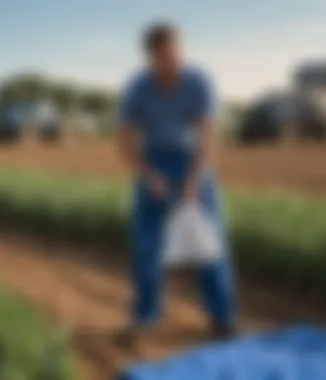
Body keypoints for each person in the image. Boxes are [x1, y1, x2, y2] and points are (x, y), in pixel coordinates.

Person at [117, 22, 236, 346]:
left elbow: (208, 135)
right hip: (154, 161)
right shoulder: (138, 88)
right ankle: (145, 317)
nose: (173, 60)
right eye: (165, 56)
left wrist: (195, 179)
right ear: (151, 57)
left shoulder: (198, 82)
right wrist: (148, 176)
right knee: (146, 247)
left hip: (193, 160)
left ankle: (222, 318)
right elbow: (125, 142)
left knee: (210, 244)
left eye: (176, 52)